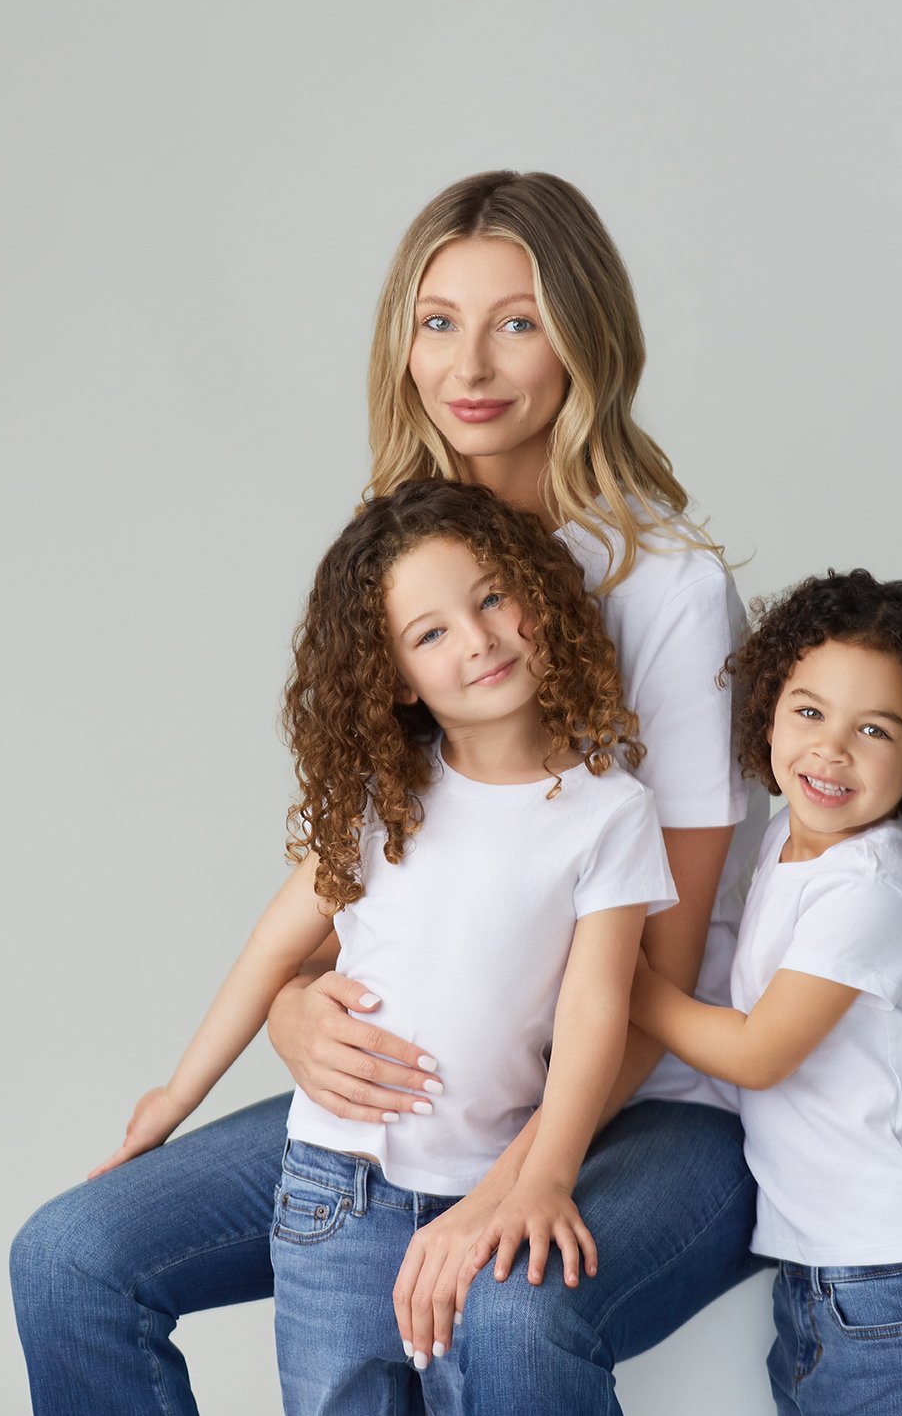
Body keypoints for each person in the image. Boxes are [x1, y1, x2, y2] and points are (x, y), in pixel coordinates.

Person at [12, 169, 768, 1416]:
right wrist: (294, 1010)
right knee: (69, 1258)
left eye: (517, 320)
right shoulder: (408, 553)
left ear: (585, 337)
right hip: (427, 1092)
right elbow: (370, 875)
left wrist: (505, 1183)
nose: (469, 363)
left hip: (652, 1095)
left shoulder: (667, 592)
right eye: (437, 321)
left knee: (510, 1303)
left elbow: (659, 976)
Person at [86, 478, 678, 1414]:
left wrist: (544, 1179)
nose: (478, 638)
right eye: (431, 632)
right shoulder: (379, 800)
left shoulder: (609, 812)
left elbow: (597, 1008)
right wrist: (175, 1095)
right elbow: (271, 951)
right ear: (396, 677)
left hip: (480, 1190)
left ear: (539, 596)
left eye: (492, 597)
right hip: (332, 1196)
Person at [630, 568, 902, 1416]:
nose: (829, 750)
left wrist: (623, 982)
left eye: (873, 729)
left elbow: (758, 1052)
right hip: (829, 1272)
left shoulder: (870, 884)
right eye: (809, 711)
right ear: (768, 710)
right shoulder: (788, 836)